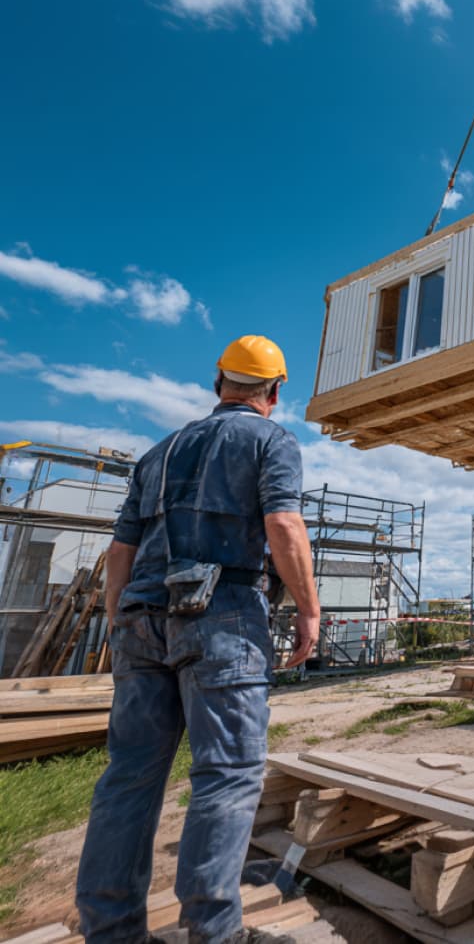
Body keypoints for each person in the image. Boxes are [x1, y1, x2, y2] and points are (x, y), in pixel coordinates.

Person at [76, 336, 321, 943]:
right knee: (226, 774)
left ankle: (111, 931)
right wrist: (310, 612)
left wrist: (120, 623)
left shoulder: (158, 453)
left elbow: (119, 552)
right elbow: (284, 525)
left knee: (128, 778)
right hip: (224, 618)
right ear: (275, 392)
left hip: (139, 619)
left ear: (219, 385)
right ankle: (214, 933)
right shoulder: (271, 441)